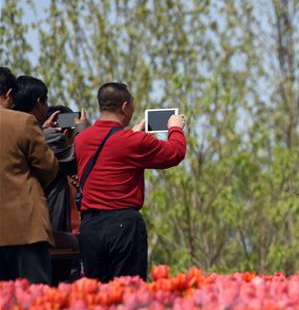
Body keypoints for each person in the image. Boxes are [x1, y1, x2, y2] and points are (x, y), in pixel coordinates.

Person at [74, 82, 186, 282]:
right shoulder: (134, 142)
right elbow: (175, 153)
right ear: (125, 107)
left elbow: (112, 151)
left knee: (94, 294)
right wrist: (175, 128)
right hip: (123, 226)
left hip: (89, 228)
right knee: (127, 292)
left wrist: (133, 135)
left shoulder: (81, 139)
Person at [0, 68, 59, 284]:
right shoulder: (22, 122)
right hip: (24, 227)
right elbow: (49, 167)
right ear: (8, 94)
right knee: (34, 299)